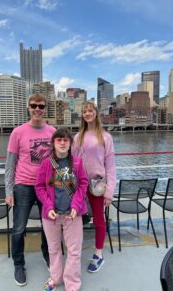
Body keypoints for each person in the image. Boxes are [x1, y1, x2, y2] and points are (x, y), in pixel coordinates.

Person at [5, 93, 56, 286]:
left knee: (49, 225)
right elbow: (10, 164)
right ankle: (19, 264)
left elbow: (59, 160)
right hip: (23, 186)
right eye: (34, 105)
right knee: (19, 228)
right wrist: (9, 191)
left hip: (46, 186)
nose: (37, 109)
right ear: (28, 107)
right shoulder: (18, 132)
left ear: (45, 109)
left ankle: (48, 255)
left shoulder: (52, 131)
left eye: (41, 106)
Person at [35, 128, 88, 291]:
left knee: (74, 250)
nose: (63, 143)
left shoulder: (78, 162)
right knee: (53, 248)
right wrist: (48, 205)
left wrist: (76, 205)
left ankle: (72, 283)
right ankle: (55, 278)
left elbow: (83, 185)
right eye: (59, 140)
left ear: (71, 143)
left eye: (66, 140)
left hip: (72, 215)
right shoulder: (46, 163)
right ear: (53, 143)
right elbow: (39, 187)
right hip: (51, 216)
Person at [72, 101, 116, 273]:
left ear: (96, 113)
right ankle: (75, 251)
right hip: (80, 183)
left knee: (99, 219)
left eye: (90, 110)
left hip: (98, 184)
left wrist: (109, 192)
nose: (87, 113)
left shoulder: (106, 137)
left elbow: (110, 166)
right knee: (75, 217)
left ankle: (99, 254)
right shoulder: (78, 137)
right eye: (84, 111)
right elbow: (74, 162)